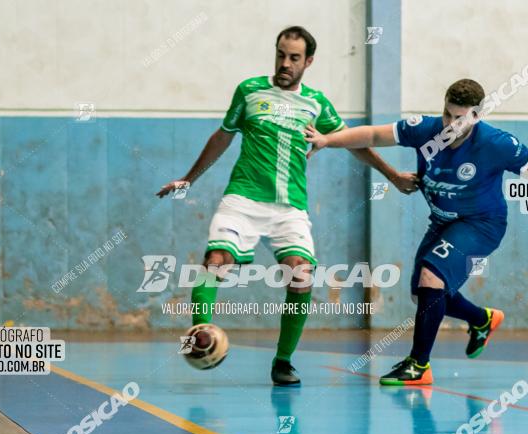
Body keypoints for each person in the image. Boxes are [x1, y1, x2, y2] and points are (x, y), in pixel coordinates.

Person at [157, 26, 416, 385]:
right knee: (216, 261)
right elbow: (222, 137)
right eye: (281, 54)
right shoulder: (249, 91)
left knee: (302, 274)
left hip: (289, 207)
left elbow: (353, 143)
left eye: (294, 57)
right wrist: (189, 178)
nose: (285, 63)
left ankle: (283, 361)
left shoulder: (316, 103)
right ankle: (201, 333)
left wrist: (391, 175)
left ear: (308, 62)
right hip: (243, 199)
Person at [305, 78, 528, 385]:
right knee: (423, 294)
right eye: (447, 114)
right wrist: (327, 140)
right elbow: (374, 134)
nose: (450, 125)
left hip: (481, 225)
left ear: (476, 116)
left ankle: (419, 365)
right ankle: (481, 319)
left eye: (459, 119)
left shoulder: (496, 144)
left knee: (432, 277)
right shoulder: (425, 129)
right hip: (443, 222)